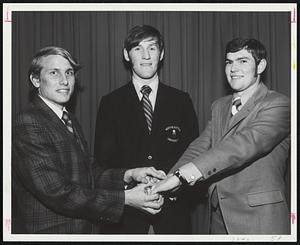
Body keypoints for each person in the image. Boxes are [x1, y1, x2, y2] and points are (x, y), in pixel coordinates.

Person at [12, 46, 167, 234]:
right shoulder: (28, 122)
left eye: (69, 73)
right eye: (54, 73)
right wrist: (125, 198)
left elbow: (89, 173)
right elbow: (57, 193)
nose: (64, 81)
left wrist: (129, 174)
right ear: (36, 80)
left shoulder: (67, 118)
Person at [152, 38, 291, 234]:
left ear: (261, 66)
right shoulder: (220, 106)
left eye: (243, 61)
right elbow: (200, 146)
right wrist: (169, 178)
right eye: (229, 62)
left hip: (260, 219)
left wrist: (180, 178)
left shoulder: (278, 104)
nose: (233, 68)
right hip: (218, 218)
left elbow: (241, 146)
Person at [94, 25, 199, 234]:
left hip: (173, 218)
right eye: (137, 49)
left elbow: (195, 157)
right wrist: (129, 191)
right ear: (126, 54)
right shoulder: (110, 103)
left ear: (162, 54)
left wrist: (175, 190)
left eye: (152, 48)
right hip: (124, 221)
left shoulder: (181, 101)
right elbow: (102, 165)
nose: (145, 56)